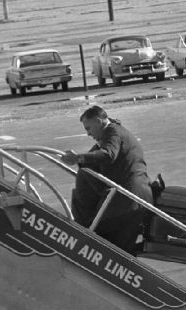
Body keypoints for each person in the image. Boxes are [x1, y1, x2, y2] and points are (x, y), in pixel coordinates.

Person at [60, 105, 153, 254]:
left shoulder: (112, 132)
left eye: (88, 128)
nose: (88, 134)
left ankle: (82, 229)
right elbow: (94, 157)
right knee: (119, 248)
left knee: (103, 241)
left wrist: (79, 157)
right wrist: (79, 159)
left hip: (128, 199)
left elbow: (108, 155)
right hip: (133, 199)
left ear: (99, 121)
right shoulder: (113, 133)